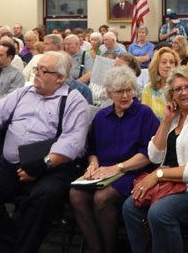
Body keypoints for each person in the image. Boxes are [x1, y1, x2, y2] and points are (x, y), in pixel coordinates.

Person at [0, 51, 91, 252]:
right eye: (36, 69)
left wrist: (42, 165)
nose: (37, 74)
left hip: (53, 167)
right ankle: (9, 248)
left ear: (59, 78)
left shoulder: (73, 100)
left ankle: (24, 249)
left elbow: (73, 142)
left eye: (44, 71)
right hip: (13, 165)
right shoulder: (24, 92)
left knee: (42, 198)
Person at [122, 66, 188, 253]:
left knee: (160, 213)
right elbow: (154, 155)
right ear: (171, 94)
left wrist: (159, 175)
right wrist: (165, 121)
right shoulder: (173, 117)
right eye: (177, 89)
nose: (184, 92)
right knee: (130, 207)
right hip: (172, 183)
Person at [70, 66, 159, 253]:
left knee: (102, 198)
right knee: (76, 195)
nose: (125, 96)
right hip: (104, 172)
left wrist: (118, 168)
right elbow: (92, 149)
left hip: (134, 172)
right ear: (109, 94)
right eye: (119, 91)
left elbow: (148, 154)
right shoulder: (102, 116)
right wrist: (93, 164)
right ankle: (96, 249)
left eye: (129, 90)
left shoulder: (144, 114)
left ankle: (109, 249)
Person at [141, 47, 179, 120]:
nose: (168, 65)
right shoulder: (148, 88)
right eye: (164, 62)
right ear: (157, 66)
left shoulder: (181, 88)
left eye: (171, 62)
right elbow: (144, 117)